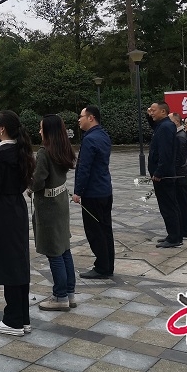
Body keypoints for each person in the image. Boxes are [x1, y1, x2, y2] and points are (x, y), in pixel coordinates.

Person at [0, 110, 34, 336]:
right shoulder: (23, 152)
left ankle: (13, 320)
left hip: (2, 210)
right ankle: (23, 317)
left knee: (9, 264)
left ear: (1, 129)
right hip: (17, 208)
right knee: (19, 261)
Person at [31, 115, 77, 311]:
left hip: (48, 206)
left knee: (54, 251)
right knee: (64, 248)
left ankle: (60, 297)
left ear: (48, 131)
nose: (39, 132)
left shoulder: (44, 153)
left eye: (41, 128)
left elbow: (37, 182)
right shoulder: (62, 148)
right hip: (60, 201)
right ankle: (69, 293)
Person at [73, 106, 114, 278]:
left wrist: (78, 191)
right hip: (105, 190)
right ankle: (108, 264)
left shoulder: (90, 139)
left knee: (95, 231)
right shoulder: (103, 135)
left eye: (81, 117)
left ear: (91, 118)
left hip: (93, 193)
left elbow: (84, 168)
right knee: (105, 229)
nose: (79, 120)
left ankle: (102, 267)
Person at [147, 102, 181, 248]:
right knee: (167, 206)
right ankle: (173, 234)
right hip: (163, 174)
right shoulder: (162, 125)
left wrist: (159, 172)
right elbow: (152, 124)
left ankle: (174, 238)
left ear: (163, 112)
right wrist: (148, 114)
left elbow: (165, 153)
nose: (151, 112)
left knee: (168, 207)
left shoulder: (166, 127)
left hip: (164, 175)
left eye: (154, 110)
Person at [169, 112, 187, 240]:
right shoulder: (179, 135)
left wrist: (174, 174)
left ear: (176, 122)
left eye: (170, 120)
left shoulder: (180, 137)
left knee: (183, 203)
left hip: (180, 175)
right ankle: (185, 228)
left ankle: (186, 229)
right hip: (181, 174)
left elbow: (179, 159)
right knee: (182, 202)